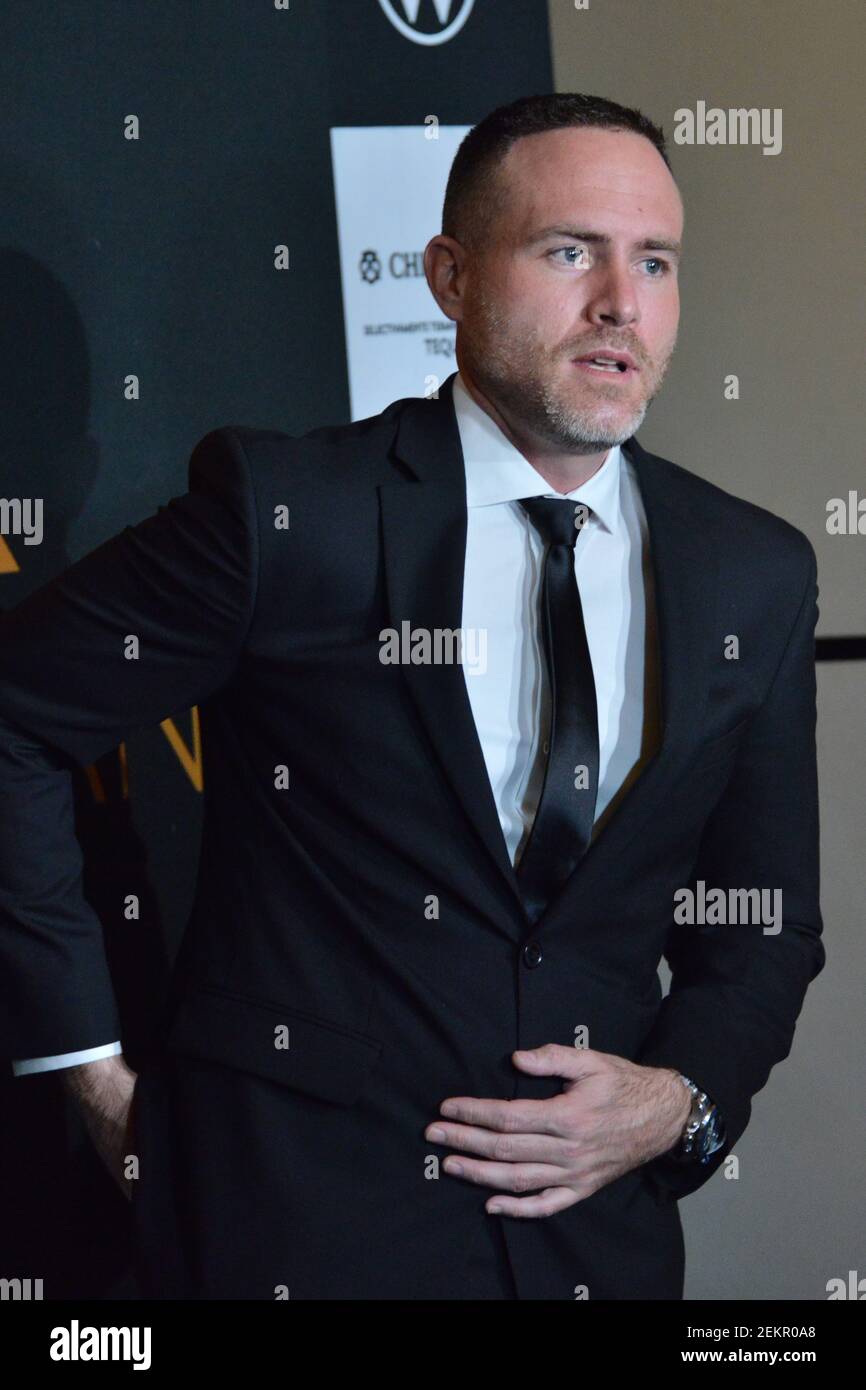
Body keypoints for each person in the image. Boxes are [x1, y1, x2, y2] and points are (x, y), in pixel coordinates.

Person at [0, 93, 823, 1300]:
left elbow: (761, 925)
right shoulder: (291, 515)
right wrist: (91, 1074)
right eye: (568, 251)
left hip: (591, 1253)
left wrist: (677, 1102)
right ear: (447, 274)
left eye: (653, 260)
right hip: (284, 1233)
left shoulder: (752, 568)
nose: (620, 302)